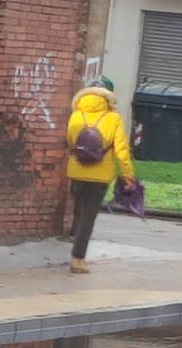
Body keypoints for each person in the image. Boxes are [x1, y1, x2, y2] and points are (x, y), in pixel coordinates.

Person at [64, 78, 136, 276]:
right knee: (89, 216)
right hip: (99, 174)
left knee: (79, 209)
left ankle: (74, 239)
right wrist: (128, 175)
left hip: (77, 171)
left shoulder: (76, 114)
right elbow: (121, 150)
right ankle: (78, 259)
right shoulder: (113, 118)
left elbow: (70, 140)